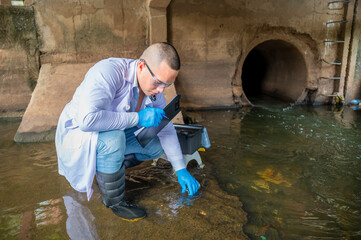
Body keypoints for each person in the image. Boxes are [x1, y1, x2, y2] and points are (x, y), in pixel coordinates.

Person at [55, 42, 200, 222]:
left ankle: (108, 169)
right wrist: (138, 118)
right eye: (158, 83)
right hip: (79, 135)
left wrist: (181, 169)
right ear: (141, 66)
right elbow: (86, 121)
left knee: (154, 146)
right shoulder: (108, 72)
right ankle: (114, 202)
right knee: (114, 139)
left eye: (167, 85)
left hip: (110, 133)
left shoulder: (154, 89)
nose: (161, 91)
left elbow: (166, 128)